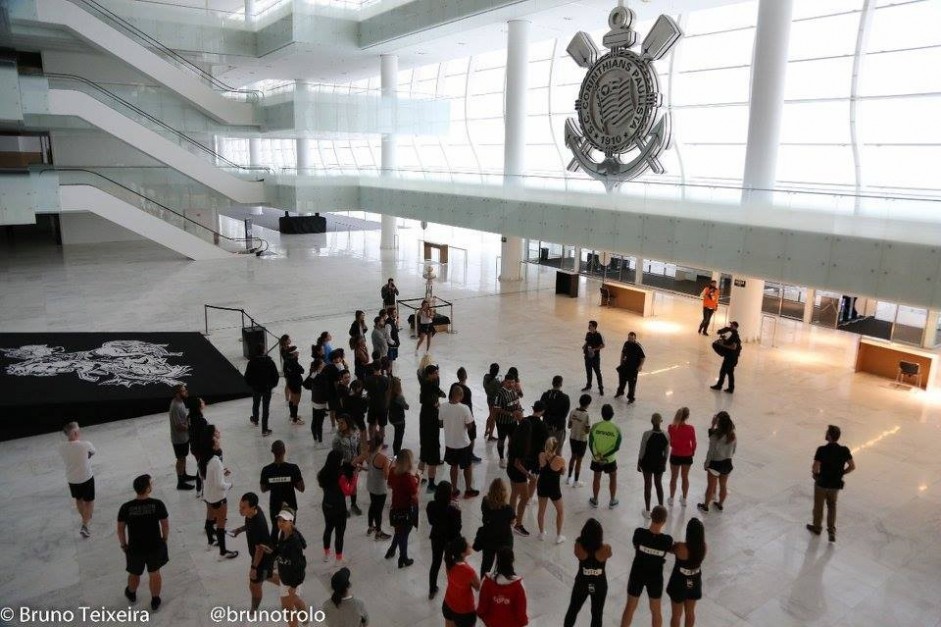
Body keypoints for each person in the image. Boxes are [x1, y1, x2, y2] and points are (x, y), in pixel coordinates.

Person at [117, 474, 169, 611]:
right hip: (154, 546)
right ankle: (155, 600)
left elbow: (120, 529)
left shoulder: (126, 507)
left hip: (135, 548)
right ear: (147, 488)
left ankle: (131, 592)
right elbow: (165, 524)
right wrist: (164, 538)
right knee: (154, 573)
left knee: (134, 573)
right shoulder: (157, 504)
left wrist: (124, 544)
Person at [620, 505, 673, 627]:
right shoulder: (666, 541)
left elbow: (635, 545)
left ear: (651, 517)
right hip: (655, 577)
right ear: (664, 521)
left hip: (637, 573)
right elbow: (670, 549)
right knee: (656, 611)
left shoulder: (639, 533)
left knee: (630, 607)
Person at [806, 425, 855, 543]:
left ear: (829, 436)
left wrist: (815, 474)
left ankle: (817, 527)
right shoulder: (844, 450)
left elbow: (815, 467)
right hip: (835, 484)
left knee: (819, 506)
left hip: (822, 483)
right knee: (832, 506)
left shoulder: (822, 450)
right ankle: (831, 530)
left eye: (827, 432)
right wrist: (841, 472)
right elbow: (852, 466)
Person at [230, 492, 278, 613]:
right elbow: (248, 524)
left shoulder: (258, 525)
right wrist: (239, 530)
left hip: (263, 558)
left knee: (254, 586)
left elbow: (259, 550)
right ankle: (290, 584)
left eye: (243, 508)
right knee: (267, 576)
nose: (240, 510)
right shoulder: (252, 513)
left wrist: (254, 567)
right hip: (264, 555)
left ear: (253, 507)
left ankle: (253, 610)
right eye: (240, 506)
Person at [563, 518, 612, 627]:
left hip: (582, 583)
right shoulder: (606, 548)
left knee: (573, 610)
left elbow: (577, 553)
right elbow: (609, 555)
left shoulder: (578, 546)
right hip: (599, 585)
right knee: (597, 615)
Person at [260, 440, 305, 543]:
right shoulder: (293, 468)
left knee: (275, 529)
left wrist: (274, 484)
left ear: (272, 452)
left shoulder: (266, 470)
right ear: (284, 451)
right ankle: (286, 549)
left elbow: (263, 488)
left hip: (275, 506)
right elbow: (302, 488)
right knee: (289, 531)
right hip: (290, 506)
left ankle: (274, 549)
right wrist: (292, 481)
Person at [204, 426, 238, 560]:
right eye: (216, 441)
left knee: (209, 518)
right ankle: (223, 552)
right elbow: (220, 485)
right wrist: (230, 485)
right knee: (220, 524)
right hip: (218, 497)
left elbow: (211, 476)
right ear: (213, 446)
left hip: (209, 496)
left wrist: (222, 472)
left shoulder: (207, 459)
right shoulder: (216, 462)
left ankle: (210, 541)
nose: (219, 441)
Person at [441, 383, 480, 498]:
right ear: (461, 395)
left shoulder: (443, 406)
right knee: (467, 466)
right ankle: (468, 490)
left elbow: (440, 424)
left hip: (450, 443)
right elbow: (470, 426)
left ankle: (454, 490)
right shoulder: (464, 408)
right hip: (463, 443)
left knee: (453, 466)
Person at [318, 449, 357, 563]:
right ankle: (338, 558)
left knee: (328, 529)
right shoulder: (341, 476)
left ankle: (326, 554)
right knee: (339, 533)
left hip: (326, 504)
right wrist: (354, 478)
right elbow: (348, 491)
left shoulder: (322, 473)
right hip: (339, 507)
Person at [666, 518, 706, 627]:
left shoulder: (681, 548)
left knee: (676, 615)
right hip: (695, 581)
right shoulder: (704, 547)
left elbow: (669, 549)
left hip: (679, 582)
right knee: (690, 612)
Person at [59, 421, 96, 537]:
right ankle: (85, 525)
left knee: (79, 499)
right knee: (89, 501)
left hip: (72, 479)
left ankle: (85, 517)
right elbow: (92, 452)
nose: (80, 432)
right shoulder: (86, 444)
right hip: (86, 477)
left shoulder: (61, 447)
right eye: (79, 430)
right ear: (75, 433)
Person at [273, 508, 309, 627]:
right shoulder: (282, 533)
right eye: (279, 520)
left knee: (287, 609)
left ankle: (304, 623)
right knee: (295, 601)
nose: (280, 523)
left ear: (291, 522)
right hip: (285, 577)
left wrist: (294, 586)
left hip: (292, 580)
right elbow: (281, 550)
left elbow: (300, 567)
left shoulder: (294, 542)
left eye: (284, 521)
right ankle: (306, 623)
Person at [427, 480, 463, 599]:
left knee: (435, 563)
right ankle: (453, 588)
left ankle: (432, 589)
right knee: (450, 565)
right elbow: (458, 527)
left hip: (436, 537)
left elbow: (431, 521)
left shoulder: (431, 505)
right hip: (450, 540)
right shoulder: (453, 509)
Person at [385, 448, 420, 568]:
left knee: (399, 530)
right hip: (407, 510)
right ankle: (403, 558)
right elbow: (415, 496)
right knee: (404, 534)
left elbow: (389, 485)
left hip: (396, 507)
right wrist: (418, 481)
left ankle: (392, 549)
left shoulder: (393, 471)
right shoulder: (408, 478)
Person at [477, 547, 528, 627]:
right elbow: (521, 613)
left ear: (497, 561)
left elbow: (482, 608)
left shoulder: (487, 581)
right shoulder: (518, 586)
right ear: (512, 560)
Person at [697, 412, 736, 514]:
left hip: (715, 464)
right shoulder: (732, 436)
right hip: (727, 463)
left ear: (719, 423)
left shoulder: (715, 436)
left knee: (710, 486)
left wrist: (707, 463)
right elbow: (733, 450)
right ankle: (720, 504)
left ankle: (705, 506)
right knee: (723, 485)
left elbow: (711, 452)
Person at [475, 478, 515, 577]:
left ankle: (484, 583)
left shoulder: (485, 502)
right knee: (504, 565)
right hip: (504, 539)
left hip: (489, 538)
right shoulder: (508, 509)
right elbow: (512, 522)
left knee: (486, 565)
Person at [419, 363, 446, 492]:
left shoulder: (426, 384)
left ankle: (418, 478)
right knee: (433, 457)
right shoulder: (430, 386)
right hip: (431, 425)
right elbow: (442, 393)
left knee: (423, 454)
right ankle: (431, 484)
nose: (437, 375)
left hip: (425, 423)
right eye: (435, 373)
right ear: (429, 375)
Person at [588, 404, 622, 509]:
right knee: (613, 477)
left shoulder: (595, 426)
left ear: (602, 414)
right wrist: (605, 455)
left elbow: (591, 444)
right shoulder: (616, 429)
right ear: (612, 414)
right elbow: (616, 447)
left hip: (596, 459)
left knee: (596, 477)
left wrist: (598, 456)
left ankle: (595, 500)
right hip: (610, 460)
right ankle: (612, 500)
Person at [443, 536, 480, 627]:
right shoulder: (469, 572)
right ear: (462, 554)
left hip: (448, 604)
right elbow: (478, 587)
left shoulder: (450, 563)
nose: (470, 545)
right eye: (467, 545)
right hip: (464, 612)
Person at [506, 409, 532, 537]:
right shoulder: (522, 444)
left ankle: (511, 518)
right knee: (525, 498)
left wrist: (519, 416)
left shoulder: (515, 436)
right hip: (518, 472)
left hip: (510, 469)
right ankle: (519, 524)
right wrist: (528, 475)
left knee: (514, 493)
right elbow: (518, 464)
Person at [638, 414, 669, 519]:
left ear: (651, 421)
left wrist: (639, 463)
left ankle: (647, 511)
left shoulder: (647, 434)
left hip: (647, 462)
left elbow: (642, 450)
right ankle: (661, 509)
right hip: (659, 463)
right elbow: (666, 452)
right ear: (661, 421)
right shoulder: (666, 434)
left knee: (648, 485)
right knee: (658, 484)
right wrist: (664, 463)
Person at [332, 414, 364, 516]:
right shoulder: (337, 438)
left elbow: (359, 447)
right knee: (343, 487)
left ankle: (354, 505)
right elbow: (335, 454)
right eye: (338, 423)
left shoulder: (356, 433)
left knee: (353, 486)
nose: (339, 425)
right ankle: (343, 508)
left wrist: (360, 461)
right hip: (343, 465)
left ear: (348, 423)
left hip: (354, 464)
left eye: (342, 423)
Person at [536, 437, 566, 544]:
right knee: (560, 511)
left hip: (542, 485)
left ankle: (541, 533)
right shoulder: (560, 460)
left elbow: (541, 466)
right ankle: (558, 536)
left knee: (541, 510)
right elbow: (563, 472)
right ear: (556, 447)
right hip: (554, 488)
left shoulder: (541, 455)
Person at [245, 344, 280, 436]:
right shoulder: (269, 362)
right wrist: (272, 385)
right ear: (264, 350)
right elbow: (275, 375)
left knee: (256, 403)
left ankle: (255, 419)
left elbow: (247, 376)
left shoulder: (252, 362)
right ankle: (264, 429)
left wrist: (252, 385)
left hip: (256, 388)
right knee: (265, 408)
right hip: (267, 388)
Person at [493, 369, 523, 467]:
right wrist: (511, 414)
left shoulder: (514, 391)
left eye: (512, 382)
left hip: (513, 422)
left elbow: (517, 403)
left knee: (513, 439)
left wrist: (520, 410)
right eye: (509, 382)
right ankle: (501, 458)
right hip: (502, 422)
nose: (511, 384)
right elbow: (497, 409)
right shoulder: (500, 394)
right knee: (501, 440)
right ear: (505, 382)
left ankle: (510, 455)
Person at [365, 433, 392, 541]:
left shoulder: (369, 453)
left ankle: (370, 526)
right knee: (378, 510)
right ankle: (379, 532)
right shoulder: (383, 458)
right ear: (381, 443)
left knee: (372, 505)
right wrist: (389, 466)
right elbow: (386, 476)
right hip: (379, 488)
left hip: (371, 485)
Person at [667, 408, 696, 507]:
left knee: (673, 477)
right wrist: (692, 451)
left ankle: (671, 498)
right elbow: (694, 442)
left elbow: (670, 442)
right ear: (687, 417)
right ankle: (684, 499)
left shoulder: (671, 427)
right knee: (685, 477)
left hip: (675, 455)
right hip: (687, 456)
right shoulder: (691, 428)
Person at [168, 384, 195, 490]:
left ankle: (184, 475)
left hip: (183, 437)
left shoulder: (180, 402)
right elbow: (178, 426)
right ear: (177, 394)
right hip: (179, 439)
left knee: (183, 457)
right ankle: (180, 482)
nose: (186, 392)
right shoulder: (175, 406)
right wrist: (190, 427)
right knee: (180, 459)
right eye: (183, 391)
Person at [456, 367, 481, 463]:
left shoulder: (454, 386)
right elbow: (468, 406)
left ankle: (459, 454)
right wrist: (471, 418)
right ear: (466, 376)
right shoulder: (466, 390)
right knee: (472, 435)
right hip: (467, 416)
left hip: (457, 415)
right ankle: (470, 454)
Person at [540, 375, 570, 454]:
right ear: (561, 384)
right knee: (557, 451)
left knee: (546, 450)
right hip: (558, 428)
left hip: (546, 426)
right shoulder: (565, 398)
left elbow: (541, 411)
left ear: (552, 383)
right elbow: (564, 415)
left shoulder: (545, 395)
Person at [567, 394, 592, 487]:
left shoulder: (573, 412)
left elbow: (569, 426)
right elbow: (587, 431)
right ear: (588, 404)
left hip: (572, 438)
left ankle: (568, 477)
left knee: (573, 457)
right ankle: (575, 481)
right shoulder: (587, 415)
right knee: (579, 460)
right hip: (582, 440)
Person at [709, 322, 741, 394]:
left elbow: (733, 347)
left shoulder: (735, 335)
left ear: (735, 327)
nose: (730, 326)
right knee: (730, 372)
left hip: (731, 357)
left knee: (723, 371)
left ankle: (719, 386)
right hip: (732, 357)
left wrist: (722, 344)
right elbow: (720, 332)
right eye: (731, 325)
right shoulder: (731, 333)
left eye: (732, 325)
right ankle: (731, 388)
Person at [186, 396, 208, 497]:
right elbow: (204, 437)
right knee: (202, 467)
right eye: (201, 402)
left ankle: (199, 488)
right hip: (201, 448)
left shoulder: (189, 418)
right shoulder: (201, 421)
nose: (203, 402)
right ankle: (201, 489)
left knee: (200, 466)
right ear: (198, 406)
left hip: (194, 447)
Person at [615, 332, 646, 403]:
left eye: (631, 338)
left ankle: (631, 398)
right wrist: (621, 363)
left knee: (631, 384)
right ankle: (620, 392)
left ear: (635, 338)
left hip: (633, 369)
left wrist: (640, 366)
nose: (629, 339)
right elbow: (623, 353)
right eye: (628, 338)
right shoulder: (626, 343)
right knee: (621, 381)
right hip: (624, 366)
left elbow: (643, 357)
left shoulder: (638, 346)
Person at [303, 358, 329, 444]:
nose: (324, 363)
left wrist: (313, 388)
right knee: (319, 423)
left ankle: (315, 439)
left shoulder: (314, 374)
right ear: (320, 366)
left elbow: (305, 384)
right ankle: (320, 441)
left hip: (314, 399)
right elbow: (326, 389)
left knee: (314, 420)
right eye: (322, 362)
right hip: (321, 401)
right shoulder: (323, 376)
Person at [364, 362, 391, 442]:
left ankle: (372, 440)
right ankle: (381, 442)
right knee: (382, 426)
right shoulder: (386, 379)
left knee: (371, 424)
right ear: (381, 367)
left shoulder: (368, 379)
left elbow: (366, 391)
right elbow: (388, 393)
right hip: (382, 405)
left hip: (372, 405)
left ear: (373, 368)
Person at [581, 321, 605, 395]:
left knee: (598, 373)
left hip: (595, 358)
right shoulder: (588, 334)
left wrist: (594, 349)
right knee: (588, 372)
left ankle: (600, 388)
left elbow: (603, 345)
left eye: (590, 325)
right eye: (589, 325)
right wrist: (584, 345)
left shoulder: (599, 335)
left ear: (594, 326)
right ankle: (588, 385)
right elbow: (587, 342)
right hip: (587, 356)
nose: (588, 327)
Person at [282, 349, 305, 426]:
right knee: (296, 401)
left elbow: (285, 372)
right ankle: (295, 419)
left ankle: (292, 415)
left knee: (292, 398)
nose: (298, 353)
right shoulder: (293, 362)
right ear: (293, 353)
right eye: (297, 352)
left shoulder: (286, 361)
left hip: (290, 382)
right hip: (296, 383)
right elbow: (302, 370)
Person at [388, 375, 409, 457]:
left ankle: (396, 453)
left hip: (392, 418)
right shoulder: (399, 397)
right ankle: (396, 455)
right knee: (398, 438)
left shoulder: (388, 394)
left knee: (397, 436)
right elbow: (406, 407)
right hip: (399, 420)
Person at [482, 363, 502, 442]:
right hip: (495, 401)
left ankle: (486, 430)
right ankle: (490, 436)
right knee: (493, 418)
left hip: (489, 399)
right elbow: (499, 391)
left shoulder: (486, 377)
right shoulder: (496, 382)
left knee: (490, 415)